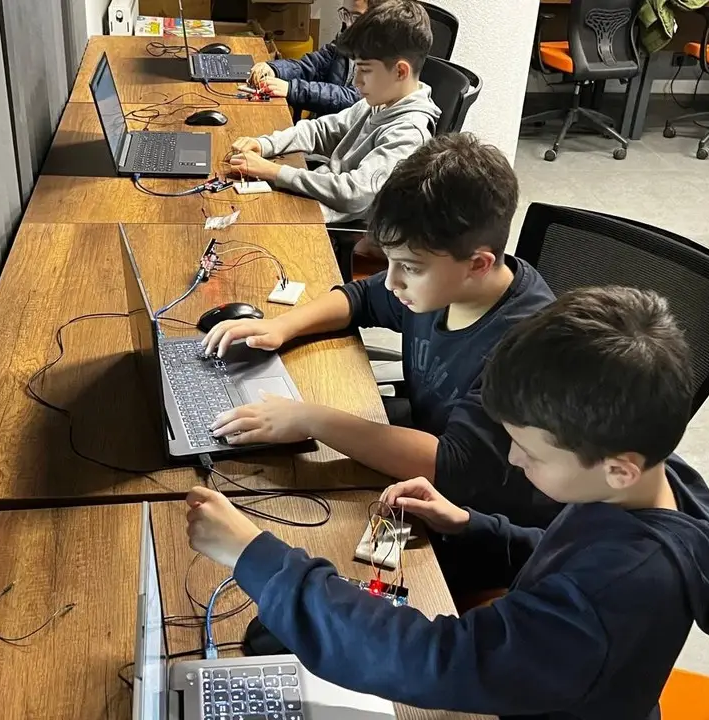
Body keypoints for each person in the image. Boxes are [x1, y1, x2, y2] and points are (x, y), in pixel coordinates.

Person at [184, 287, 709, 720]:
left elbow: (437, 659)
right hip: (542, 674)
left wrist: (257, 558)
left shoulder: (617, 593)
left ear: (618, 467)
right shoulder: (650, 481)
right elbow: (570, 554)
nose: (513, 461)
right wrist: (470, 524)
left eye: (529, 451)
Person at [204, 132, 554, 484]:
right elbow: (362, 298)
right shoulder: (443, 283)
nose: (391, 281)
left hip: (467, 495)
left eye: (410, 268)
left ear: (478, 264)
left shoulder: (524, 353)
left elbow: (453, 464)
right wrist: (282, 326)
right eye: (390, 261)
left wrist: (310, 419)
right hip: (422, 435)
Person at [227, 0, 440, 224]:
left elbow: (353, 195)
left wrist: (273, 172)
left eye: (365, 70)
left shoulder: (408, 134)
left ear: (400, 72)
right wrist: (264, 144)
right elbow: (321, 130)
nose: (357, 81)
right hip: (316, 197)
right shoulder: (380, 102)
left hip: (329, 224)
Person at [247, 0, 378, 117]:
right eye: (345, 14)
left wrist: (292, 89)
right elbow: (311, 65)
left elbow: (356, 99)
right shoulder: (346, 40)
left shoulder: (384, 55)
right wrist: (274, 69)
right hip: (325, 125)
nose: (348, 24)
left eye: (356, 17)